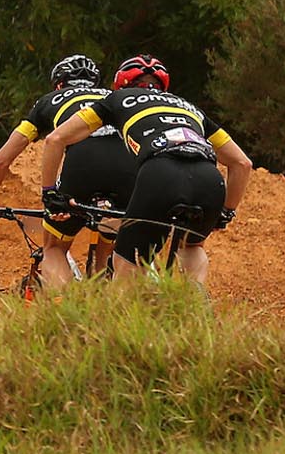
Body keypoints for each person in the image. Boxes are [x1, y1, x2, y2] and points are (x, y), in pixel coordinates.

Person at [34, 54, 252, 289]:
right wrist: (226, 213)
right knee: (192, 246)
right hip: (209, 179)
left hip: (159, 173)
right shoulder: (191, 108)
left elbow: (56, 138)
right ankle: (194, 304)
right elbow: (242, 164)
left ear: (120, 84)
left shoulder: (117, 99)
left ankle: (120, 319)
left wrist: (49, 193)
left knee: (126, 261)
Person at [0, 54, 135, 291]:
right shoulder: (114, 98)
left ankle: (66, 305)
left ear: (59, 84)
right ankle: (105, 292)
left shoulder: (49, 101)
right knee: (109, 238)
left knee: (54, 249)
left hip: (82, 168)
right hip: (128, 171)